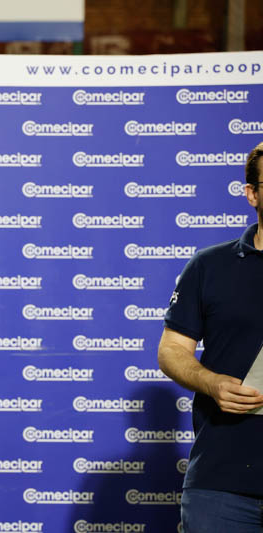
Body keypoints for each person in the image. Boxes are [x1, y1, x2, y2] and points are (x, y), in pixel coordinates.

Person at [158, 142, 263, 532]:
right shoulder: (210, 265)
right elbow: (172, 349)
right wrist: (211, 382)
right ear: (251, 193)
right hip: (222, 482)